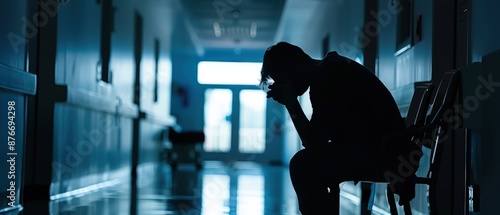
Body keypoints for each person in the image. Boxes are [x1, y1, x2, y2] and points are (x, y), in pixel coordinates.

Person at [259, 42, 416, 214]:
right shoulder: (331, 69)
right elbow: (317, 139)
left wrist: (291, 103)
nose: (283, 85)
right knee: (306, 163)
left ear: (291, 65)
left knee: (303, 165)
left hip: (385, 154)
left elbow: (314, 142)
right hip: (389, 149)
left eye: (281, 79)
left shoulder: (329, 77)